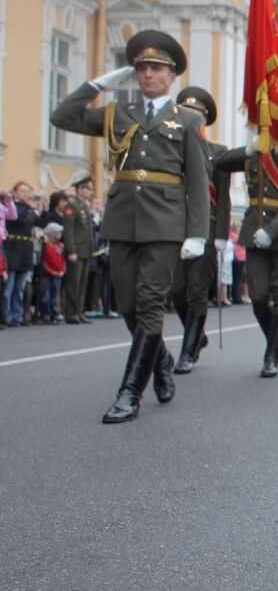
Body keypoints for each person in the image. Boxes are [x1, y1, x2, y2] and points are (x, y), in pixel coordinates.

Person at [49, 30, 210, 423]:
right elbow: (62, 116)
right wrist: (95, 85)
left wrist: (197, 233)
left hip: (165, 223)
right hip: (123, 220)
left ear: (172, 76)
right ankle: (161, 360)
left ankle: (129, 394)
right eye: (141, 69)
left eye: (155, 68)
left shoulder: (187, 120)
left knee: (150, 303)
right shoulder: (117, 113)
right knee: (126, 306)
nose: (147, 75)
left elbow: (196, 180)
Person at [216, 127, 278, 377]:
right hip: (253, 229)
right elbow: (221, 163)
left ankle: (272, 357)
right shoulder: (255, 154)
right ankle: (275, 340)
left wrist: (272, 231)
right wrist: (248, 149)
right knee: (258, 297)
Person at [169, 87, 231, 374]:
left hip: (205, 227)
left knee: (196, 291)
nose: (189, 117)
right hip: (173, 225)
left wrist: (221, 235)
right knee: (176, 290)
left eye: (195, 113)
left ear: (204, 120)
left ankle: (188, 352)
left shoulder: (217, 153)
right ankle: (198, 335)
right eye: (184, 111)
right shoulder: (168, 145)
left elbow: (224, 195)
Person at [60, 175, 95, 324]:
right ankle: (71, 312)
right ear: (79, 189)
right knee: (74, 283)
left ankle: (79, 311)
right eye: (88, 188)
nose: (90, 191)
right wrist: (71, 250)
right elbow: (68, 230)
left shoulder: (84, 206)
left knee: (82, 283)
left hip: (85, 249)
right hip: (77, 250)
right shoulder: (71, 206)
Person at [2, 183, 38, 326]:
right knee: (9, 287)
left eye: (28, 191)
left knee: (20, 287)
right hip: (12, 249)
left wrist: (33, 206)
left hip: (25, 251)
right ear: (15, 193)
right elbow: (16, 218)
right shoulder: (11, 205)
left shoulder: (29, 208)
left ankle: (18, 315)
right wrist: (29, 205)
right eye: (23, 191)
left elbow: (39, 221)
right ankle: (7, 316)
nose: (26, 194)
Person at [39, 222, 65, 323]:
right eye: (57, 232)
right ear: (51, 234)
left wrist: (62, 270)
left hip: (58, 274)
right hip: (48, 274)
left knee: (56, 295)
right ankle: (46, 313)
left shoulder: (60, 246)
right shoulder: (46, 246)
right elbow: (44, 262)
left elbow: (62, 260)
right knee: (47, 294)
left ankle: (55, 313)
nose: (59, 234)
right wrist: (51, 271)